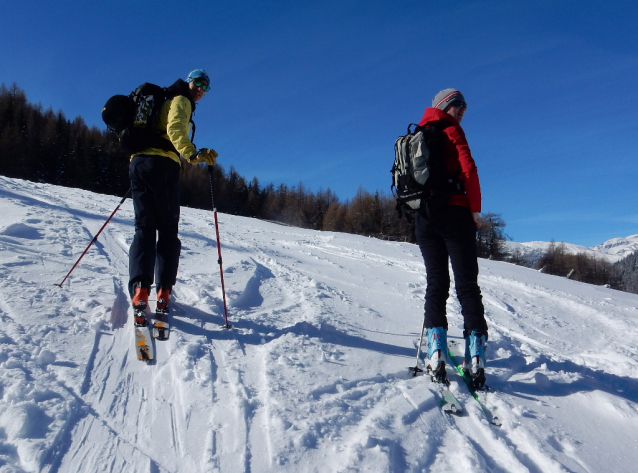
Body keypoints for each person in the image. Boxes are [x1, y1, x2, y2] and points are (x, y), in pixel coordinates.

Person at [129, 69, 218, 325]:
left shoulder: (163, 99)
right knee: (167, 231)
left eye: (206, 87)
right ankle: (163, 292)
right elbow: (175, 128)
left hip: (139, 163)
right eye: (198, 82)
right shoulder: (181, 100)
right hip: (163, 166)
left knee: (144, 228)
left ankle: (139, 291)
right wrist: (192, 155)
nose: (201, 88)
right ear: (188, 82)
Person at [415, 88, 488, 389]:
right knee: (467, 286)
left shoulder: (419, 132)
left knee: (436, 283)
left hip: (425, 218)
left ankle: (435, 353)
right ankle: (476, 358)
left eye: (465, 107)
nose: (462, 111)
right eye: (458, 105)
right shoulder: (451, 130)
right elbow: (469, 169)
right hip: (456, 215)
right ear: (445, 106)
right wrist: (475, 211)